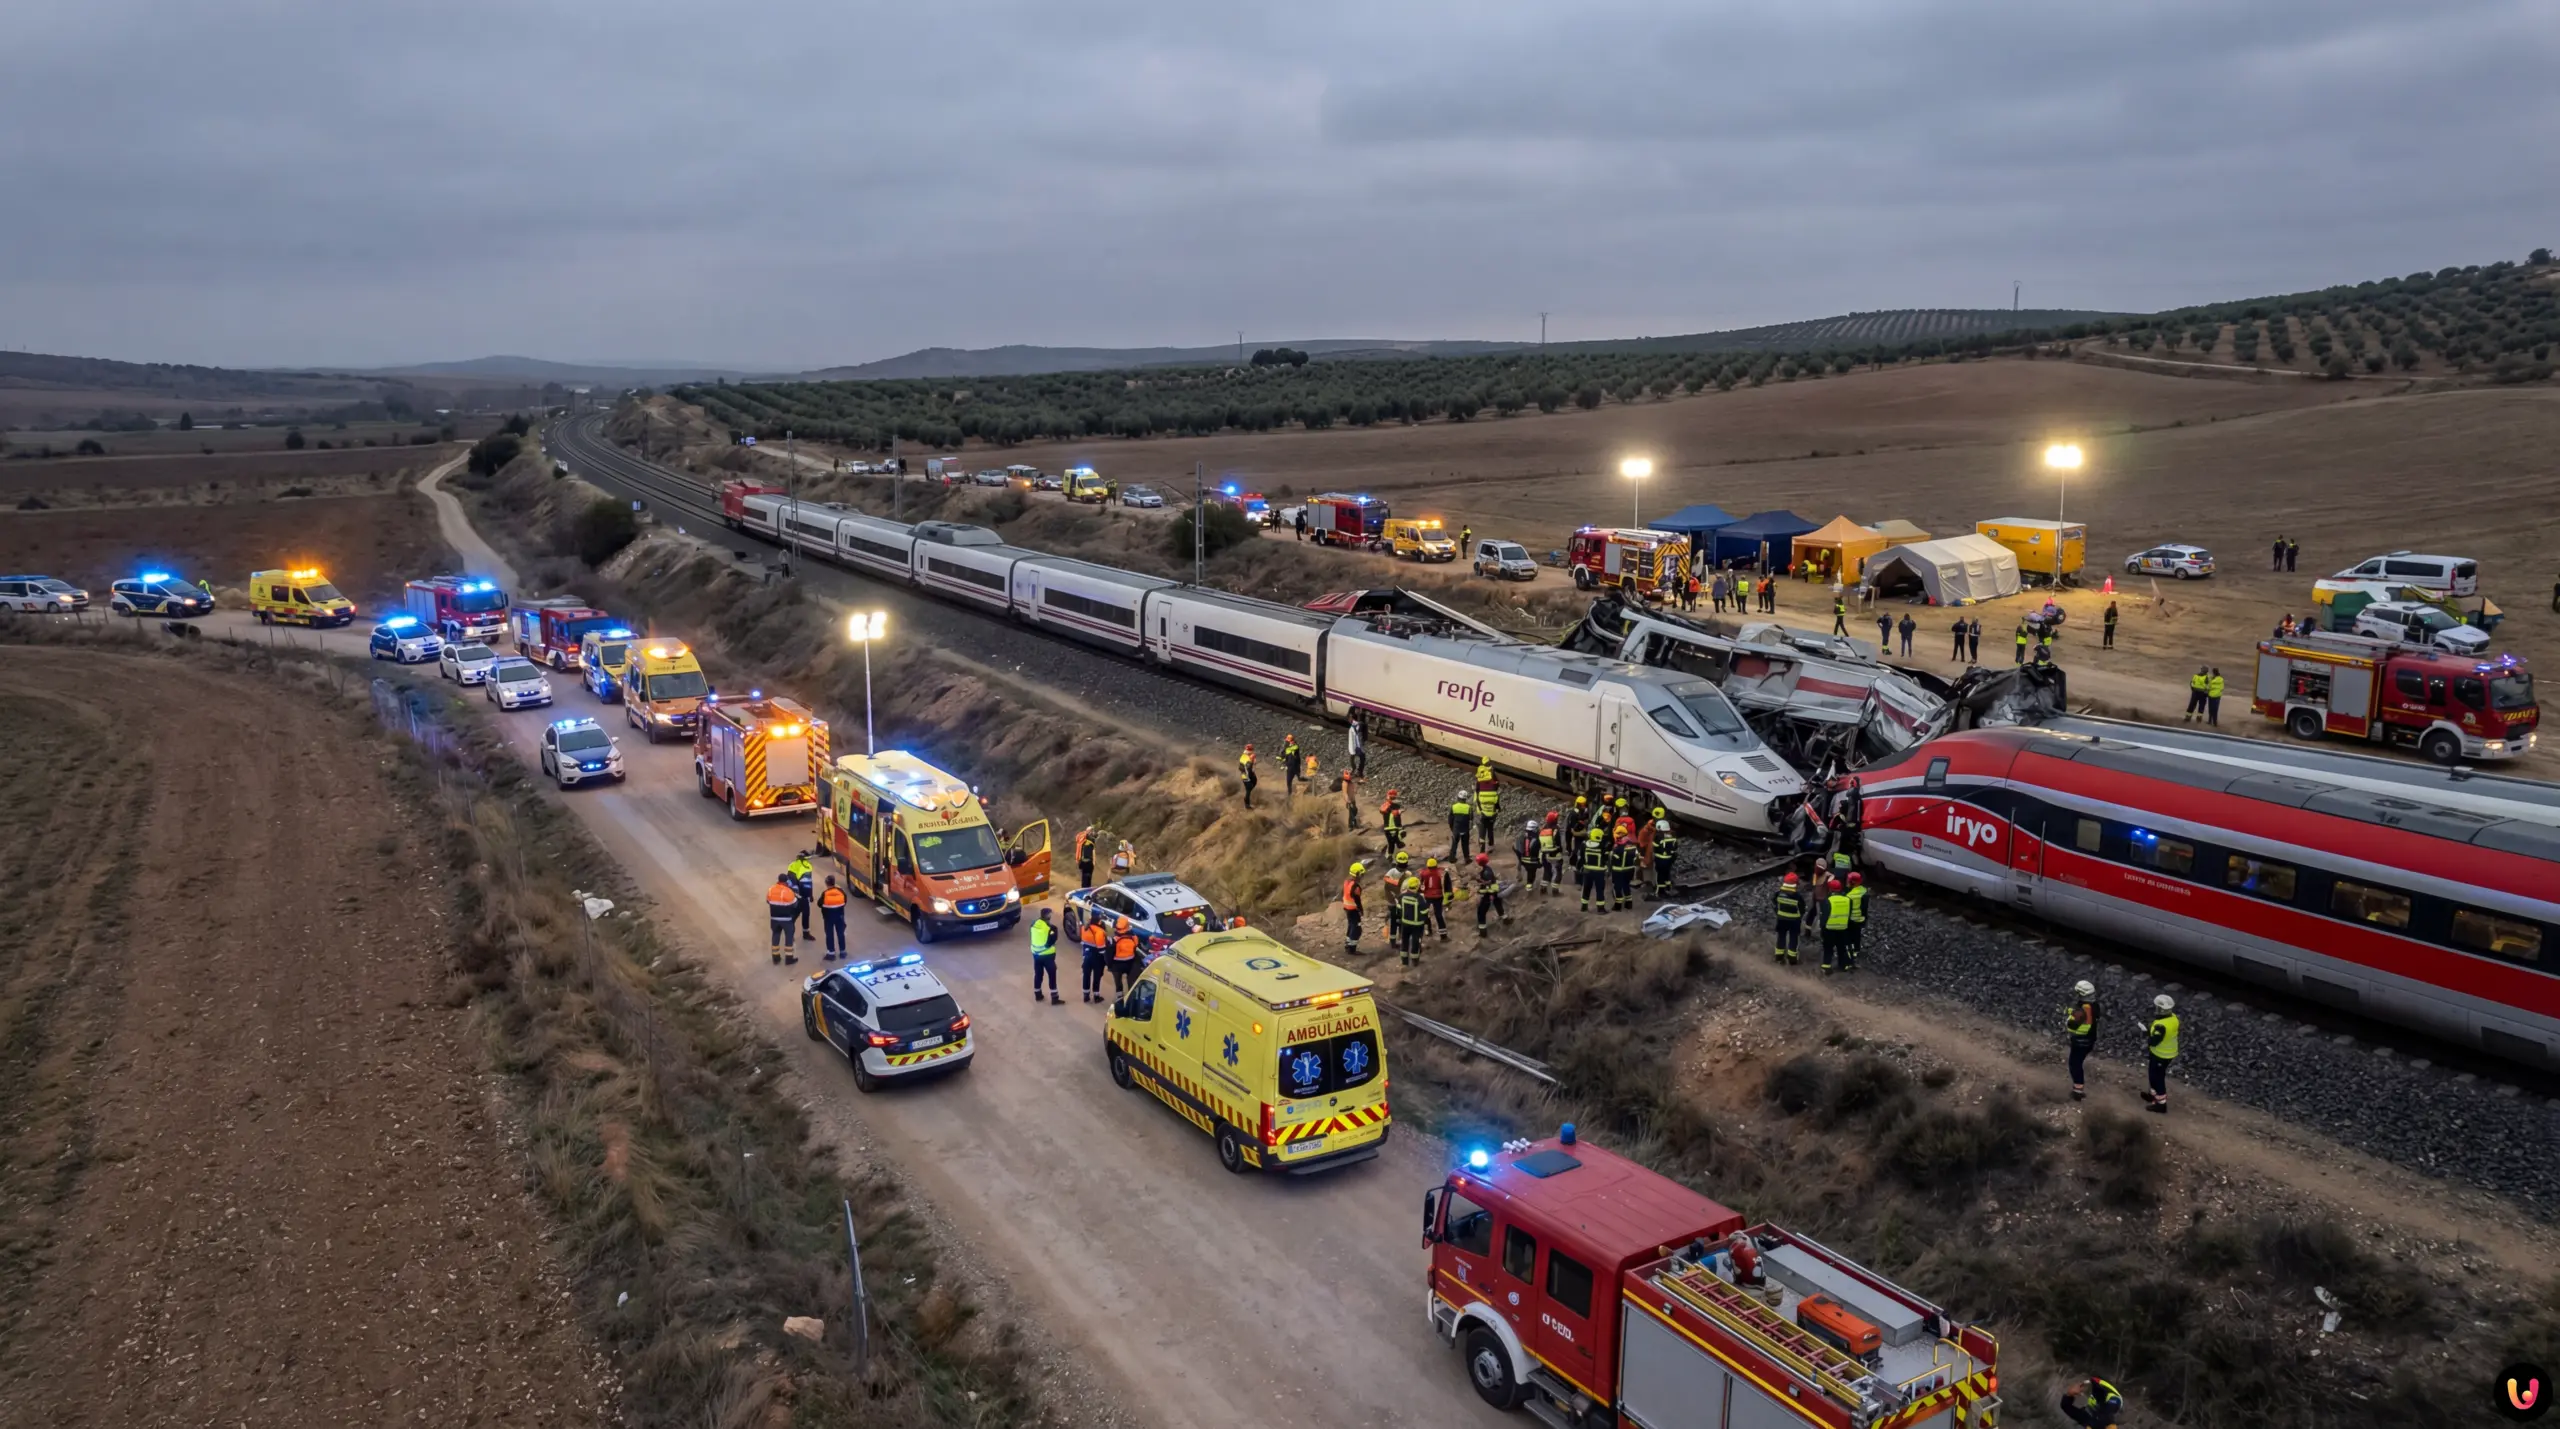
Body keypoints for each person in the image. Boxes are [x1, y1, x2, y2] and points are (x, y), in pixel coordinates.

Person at [2143, 994, 2179, 1113]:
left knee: (2157, 1078)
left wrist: (2147, 1036)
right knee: (2153, 1074)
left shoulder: (2161, 1025)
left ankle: (2161, 1104)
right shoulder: (2173, 1018)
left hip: (2161, 1054)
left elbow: (2154, 1041)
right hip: (2168, 1053)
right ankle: (2153, 1095)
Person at [2064, 979, 2099, 1099]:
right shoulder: (2093, 1006)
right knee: (2077, 1062)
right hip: (2090, 1039)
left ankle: (2078, 1091)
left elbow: (2072, 1025)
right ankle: (2078, 1089)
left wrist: (2070, 1018)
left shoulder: (2081, 1011)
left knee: (2075, 1064)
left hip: (2080, 1042)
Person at [2060, 1376, 2126, 1429]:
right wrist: (2069, 1395)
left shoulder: (2111, 1405)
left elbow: (2106, 1414)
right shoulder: (2089, 1416)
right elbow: (2066, 1406)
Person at [766, 873, 800, 966]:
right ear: (786, 881)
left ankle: (775, 957)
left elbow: (768, 901)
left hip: (774, 918)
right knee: (789, 937)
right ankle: (789, 958)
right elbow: (795, 905)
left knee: (776, 935)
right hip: (786, 919)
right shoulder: (788, 892)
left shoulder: (771, 889)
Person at [1394, 873, 1427, 967]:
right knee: (1415, 942)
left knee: (1404, 941)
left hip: (1405, 923)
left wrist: (1400, 919)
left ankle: (1404, 961)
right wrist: (1424, 920)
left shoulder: (1402, 897)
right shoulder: (1419, 898)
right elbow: (1424, 911)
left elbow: (1399, 909)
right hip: (1417, 925)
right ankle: (1415, 961)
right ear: (1417, 886)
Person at [1028, 907, 1060, 1003]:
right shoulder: (1052, 928)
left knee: (1038, 974)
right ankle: (1054, 998)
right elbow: (1052, 941)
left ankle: (1038, 995)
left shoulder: (1034, 924)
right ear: (1049, 915)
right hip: (1047, 955)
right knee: (1052, 976)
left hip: (1036, 955)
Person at [1577, 821, 1610, 912]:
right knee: (1599, 890)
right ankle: (1600, 909)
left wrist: (1580, 867)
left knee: (1586, 888)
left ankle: (1584, 906)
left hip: (1587, 871)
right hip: (1599, 872)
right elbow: (1605, 858)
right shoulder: (1602, 846)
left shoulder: (1584, 845)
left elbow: (1582, 858)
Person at [1472, 852, 1508, 933]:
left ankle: (1482, 931)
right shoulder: (1487, 868)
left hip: (1488, 893)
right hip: (1493, 891)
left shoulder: (1486, 872)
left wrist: (1480, 881)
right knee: (1498, 904)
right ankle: (1505, 919)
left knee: (1481, 912)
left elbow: (1488, 883)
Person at [1820, 877, 1851, 974]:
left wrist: (1822, 928)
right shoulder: (1847, 900)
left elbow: (1824, 916)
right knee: (1842, 947)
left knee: (1828, 948)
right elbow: (1849, 914)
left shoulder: (1828, 901)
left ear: (1830, 889)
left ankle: (1826, 967)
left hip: (1830, 928)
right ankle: (1844, 965)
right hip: (1843, 928)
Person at [1078, 909, 1110, 1002]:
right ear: (1099, 922)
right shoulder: (1099, 932)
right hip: (1096, 957)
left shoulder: (1084, 928)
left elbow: (1083, 942)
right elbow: (1101, 950)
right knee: (1097, 976)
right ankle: (1096, 996)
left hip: (1086, 956)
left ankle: (1086, 996)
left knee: (1086, 976)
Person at [1773, 871, 1803, 965]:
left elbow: (1774, 903)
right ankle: (1792, 958)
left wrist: (1778, 912)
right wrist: (1800, 916)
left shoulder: (1778, 893)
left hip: (1781, 919)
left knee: (1781, 937)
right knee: (1793, 938)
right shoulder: (1797, 896)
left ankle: (1779, 957)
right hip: (1794, 921)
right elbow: (1802, 908)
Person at [1609, 822, 1640, 911]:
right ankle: (1629, 903)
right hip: (1629, 870)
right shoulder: (1631, 843)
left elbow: (1613, 858)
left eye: (1618, 834)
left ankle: (1618, 905)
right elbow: (1636, 856)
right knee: (1626, 886)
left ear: (1621, 834)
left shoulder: (1618, 846)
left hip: (1619, 870)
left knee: (1617, 887)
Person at [818, 875, 849, 960]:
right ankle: (842, 952)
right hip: (839, 916)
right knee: (840, 934)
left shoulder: (825, 893)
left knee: (829, 935)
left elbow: (819, 904)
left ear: (826, 883)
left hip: (828, 918)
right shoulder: (841, 892)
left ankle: (831, 953)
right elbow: (845, 901)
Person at [1650, 810, 1679, 898]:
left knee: (1660, 875)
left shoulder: (1659, 837)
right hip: (1669, 859)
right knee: (1667, 873)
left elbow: (1654, 846)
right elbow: (1675, 847)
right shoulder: (1673, 836)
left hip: (1660, 859)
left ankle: (1659, 892)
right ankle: (1669, 888)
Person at [786, 852, 815, 938]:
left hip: (794, 894)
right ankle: (805, 934)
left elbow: (790, 880)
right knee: (804, 914)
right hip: (803, 895)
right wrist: (810, 895)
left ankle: (790, 933)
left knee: (795, 914)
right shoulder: (807, 866)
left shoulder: (792, 865)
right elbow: (808, 883)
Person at [1108, 916, 1141, 995]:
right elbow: (1136, 948)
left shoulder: (1113, 940)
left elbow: (1108, 954)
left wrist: (1109, 966)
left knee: (1118, 982)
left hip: (1116, 965)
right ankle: (1130, 997)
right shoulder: (1134, 938)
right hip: (1130, 964)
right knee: (1131, 982)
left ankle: (1119, 998)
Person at [1419, 856, 1449, 938]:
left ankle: (1428, 930)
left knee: (1425, 914)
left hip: (1427, 896)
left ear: (1428, 866)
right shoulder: (1441, 873)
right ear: (1436, 865)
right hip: (1439, 896)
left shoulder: (1423, 873)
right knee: (1439, 915)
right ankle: (1443, 935)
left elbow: (1421, 885)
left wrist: (1421, 892)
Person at [1340, 861, 1366, 953]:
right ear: (1357, 874)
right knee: (1357, 929)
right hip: (1353, 910)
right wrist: (1361, 910)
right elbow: (1357, 901)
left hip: (1347, 909)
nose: (1362, 876)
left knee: (1351, 926)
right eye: (1361, 874)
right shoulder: (1356, 887)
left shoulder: (1347, 882)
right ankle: (1352, 948)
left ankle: (1348, 944)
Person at [1844, 871, 1868, 969]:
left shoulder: (1850, 896)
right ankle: (1857, 950)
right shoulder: (1864, 891)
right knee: (1857, 935)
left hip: (1852, 919)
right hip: (1861, 918)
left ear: (1853, 883)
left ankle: (1851, 953)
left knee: (1850, 936)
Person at [1537, 812, 1564, 894]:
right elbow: (1558, 842)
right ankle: (1555, 890)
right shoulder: (1556, 829)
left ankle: (1543, 888)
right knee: (1558, 872)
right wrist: (1560, 850)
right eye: (1556, 818)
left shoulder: (1543, 829)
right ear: (1554, 820)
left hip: (1544, 854)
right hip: (1555, 854)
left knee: (1547, 871)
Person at [1474, 780, 1500, 850]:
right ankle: (1491, 845)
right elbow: (1497, 804)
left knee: (1482, 831)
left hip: (1483, 815)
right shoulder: (1494, 793)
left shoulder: (1480, 793)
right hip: (1492, 815)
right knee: (1490, 829)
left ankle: (1482, 848)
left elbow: (1477, 801)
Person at [1447, 793, 1473, 861]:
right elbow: (1471, 819)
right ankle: (1467, 858)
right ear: (1465, 799)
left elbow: (1450, 820)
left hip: (1456, 829)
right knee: (1465, 844)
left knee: (1454, 844)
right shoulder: (1469, 807)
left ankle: (1452, 858)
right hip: (1465, 829)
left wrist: (1452, 828)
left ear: (1458, 798)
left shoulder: (1454, 807)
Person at [1380, 789, 1406, 857]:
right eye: (1392, 797)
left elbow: (1398, 815)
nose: (1394, 799)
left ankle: (1391, 856)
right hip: (1390, 828)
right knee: (1394, 843)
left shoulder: (1396, 805)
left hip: (1395, 827)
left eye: (1394, 797)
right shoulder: (1386, 806)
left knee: (1394, 842)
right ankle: (1390, 856)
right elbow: (1382, 810)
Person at [1075, 824, 1096, 889]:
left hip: (1081, 861)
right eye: (1092, 831)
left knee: (1084, 877)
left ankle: (1083, 889)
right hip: (1089, 862)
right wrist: (1094, 862)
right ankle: (1087, 890)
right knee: (1088, 878)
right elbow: (1093, 851)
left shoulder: (1081, 840)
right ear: (1090, 832)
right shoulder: (1091, 840)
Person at [1280, 733, 1301, 797]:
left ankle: (1291, 794)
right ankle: (1290, 794)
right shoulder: (1289, 747)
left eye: (1287, 741)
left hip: (1293, 766)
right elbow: (1284, 756)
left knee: (1294, 780)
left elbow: (1289, 753)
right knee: (1289, 782)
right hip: (1291, 766)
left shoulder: (1294, 747)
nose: (1285, 742)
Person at [1238, 743, 1257, 808]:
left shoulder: (1244, 755)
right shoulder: (1248, 759)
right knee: (1249, 788)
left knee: (1254, 781)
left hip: (1248, 773)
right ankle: (1247, 804)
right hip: (1246, 776)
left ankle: (1248, 796)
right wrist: (1252, 761)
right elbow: (1247, 768)